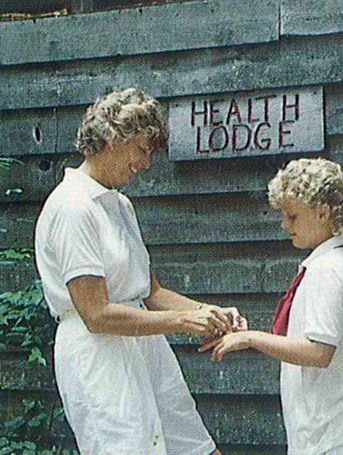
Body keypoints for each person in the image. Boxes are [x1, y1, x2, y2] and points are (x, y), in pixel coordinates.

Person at [35, 88, 246, 455]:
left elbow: (151, 292)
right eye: (143, 150)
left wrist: (205, 312)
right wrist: (182, 322)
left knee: (195, 447)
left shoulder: (120, 206)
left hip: (145, 344)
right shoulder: (72, 207)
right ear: (115, 139)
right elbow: (96, 314)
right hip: (99, 356)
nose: (146, 163)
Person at [200, 158, 343, 455]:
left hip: (336, 435)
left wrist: (249, 338)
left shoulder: (329, 270)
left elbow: (319, 352)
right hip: (324, 429)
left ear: (323, 213)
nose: (285, 225)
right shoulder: (327, 263)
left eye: (292, 216)